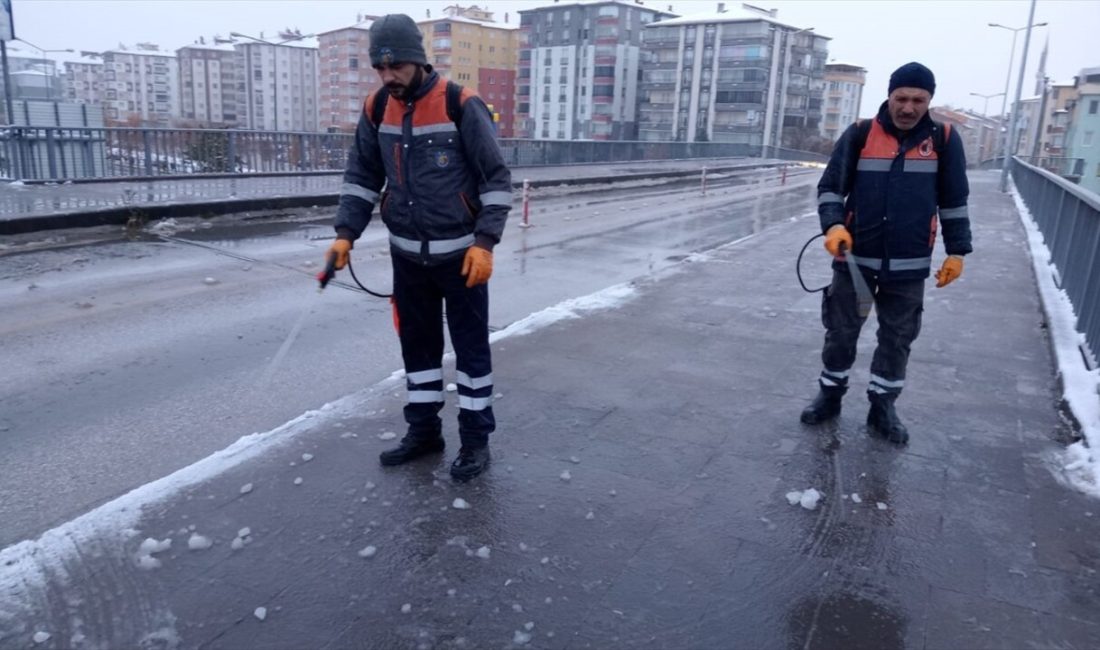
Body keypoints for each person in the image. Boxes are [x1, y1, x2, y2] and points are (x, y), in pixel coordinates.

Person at [326, 14, 512, 479]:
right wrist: (345, 233)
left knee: (470, 354)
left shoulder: (460, 103)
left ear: (418, 60)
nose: (388, 77)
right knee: (418, 349)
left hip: (462, 257)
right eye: (380, 68)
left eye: (397, 67)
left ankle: (475, 441)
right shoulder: (375, 109)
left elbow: (496, 179)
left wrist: (485, 242)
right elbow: (362, 176)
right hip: (407, 257)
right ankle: (424, 432)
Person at [799, 62, 971, 445]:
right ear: (889, 96)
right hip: (855, 263)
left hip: (908, 267)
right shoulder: (861, 134)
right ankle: (830, 396)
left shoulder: (943, 139)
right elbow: (830, 188)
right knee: (841, 332)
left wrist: (957, 252)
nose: (908, 107)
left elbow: (954, 201)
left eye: (918, 100)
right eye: (901, 98)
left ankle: (882, 407)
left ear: (929, 101)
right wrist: (833, 225)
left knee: (897, 338)